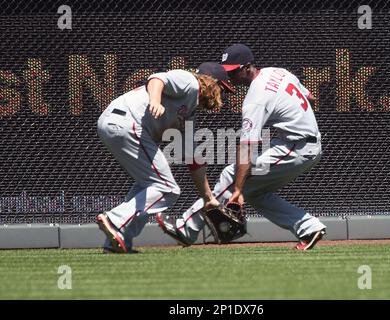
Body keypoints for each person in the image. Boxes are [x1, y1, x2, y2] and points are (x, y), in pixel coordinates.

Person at [157, 44, 327, 250]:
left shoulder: (256, 98)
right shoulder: (278, 72)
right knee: (255, 193)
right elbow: (309, 95)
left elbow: (247, 147)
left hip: (296, 146)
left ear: (248, 67)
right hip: (301, 143)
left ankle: (185, 228)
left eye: (233, 71)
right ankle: (309, 228)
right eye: (227, 71)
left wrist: (237, 189)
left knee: (233, 174)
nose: (229, 76)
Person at [96, 62, 234, 253]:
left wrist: (208, 198)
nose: (222, 95)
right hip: (128, 122)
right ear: (211, 82)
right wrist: (155, 101)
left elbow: (193, 159)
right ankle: (115, 220)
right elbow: (157, 78)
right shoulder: (190, 82)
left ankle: (119, 241)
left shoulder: (189, 112)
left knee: (149, 186)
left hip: (118, 123)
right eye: (222, 89)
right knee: (167, 189)